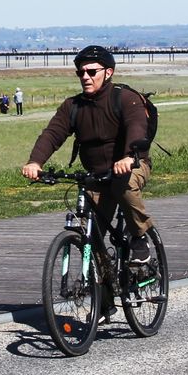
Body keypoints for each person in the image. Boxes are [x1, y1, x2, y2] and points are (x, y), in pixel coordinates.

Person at [21, 45, 155, 263]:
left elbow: (137, 127)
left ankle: (140, 237)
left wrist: (130, 156)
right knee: (91, 239)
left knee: (125, 184)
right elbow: (53, 133)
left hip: (132, 166)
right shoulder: (73, 106)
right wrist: (35, 162)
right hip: (95, 175)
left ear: (108, 72)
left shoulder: (125, 98)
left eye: (92, 72)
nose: (85, 77)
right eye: (80, 72)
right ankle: (101, 291)